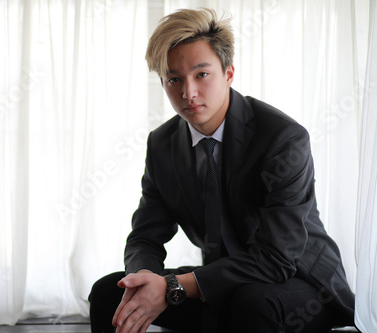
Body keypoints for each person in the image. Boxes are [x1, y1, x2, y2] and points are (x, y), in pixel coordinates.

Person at [89, 8, 355, 333]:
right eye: (174, 79)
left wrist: (172, 285)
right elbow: (146, 235)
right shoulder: (162, 144)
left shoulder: (282, 138)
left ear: (229, 73)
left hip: (300, 281)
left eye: (201, 74)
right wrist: (143, 280)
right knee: (108, 292)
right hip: (221, 279)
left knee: (252, 303)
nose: (188, 92)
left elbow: (276, 258)